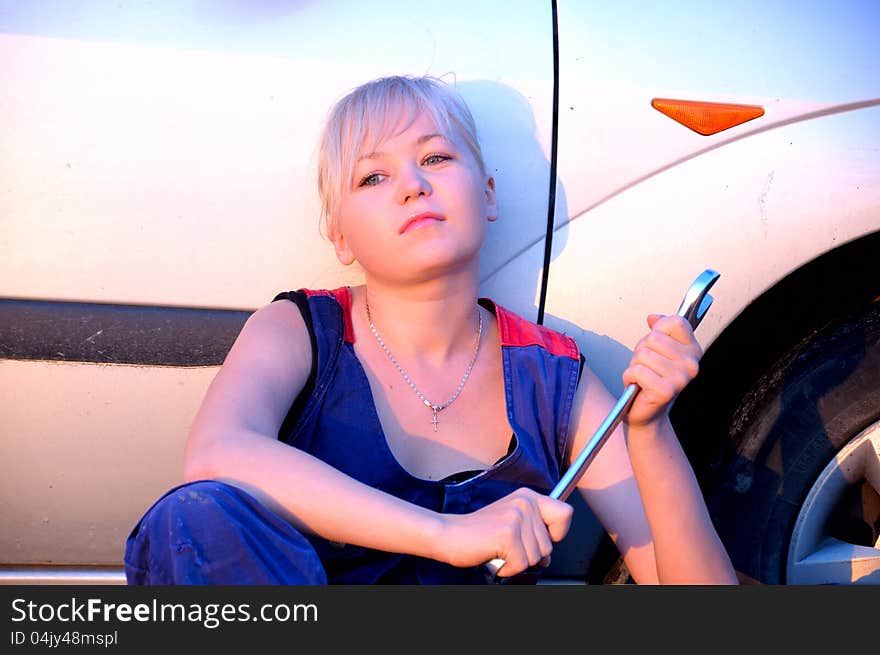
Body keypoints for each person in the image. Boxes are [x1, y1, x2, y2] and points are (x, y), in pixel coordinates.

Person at [124, 75, 738, 585]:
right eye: (373, 177)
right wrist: (448, 534)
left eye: (436, 157)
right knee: (191, 519)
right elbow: (216, 457)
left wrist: (650, 431)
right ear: (339, 236)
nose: (413, 185)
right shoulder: (297, 331)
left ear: (489, 193)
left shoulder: (552, 379)